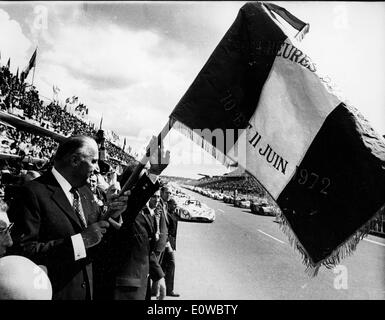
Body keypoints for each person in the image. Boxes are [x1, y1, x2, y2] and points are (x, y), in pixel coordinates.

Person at [8, 135, 128, 300]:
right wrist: (80, 242)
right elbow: (23, 252)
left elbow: (98, 234)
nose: (97, 168)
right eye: (93, 161)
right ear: (75, 161)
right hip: (54, 292)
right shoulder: (32, 193)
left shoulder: (85, 191)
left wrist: (113, 213)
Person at [111, 190, 166, 300]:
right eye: (154, 196)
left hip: (140, 284)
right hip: (126, 289)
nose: (156, 200)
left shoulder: (145, 214)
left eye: (158, 197)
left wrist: (158, 275)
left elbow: (144, 248)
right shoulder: (127, 213)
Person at [161, 197, 180, 297]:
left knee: (165, 265)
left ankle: (162, 289)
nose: (175, 206)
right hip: (166, 242)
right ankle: (169, 290)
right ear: (168, 205)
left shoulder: (174, 214)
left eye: (176, 205)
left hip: (171, 243)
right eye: (173, 204)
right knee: (171, 264)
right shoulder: (166, 214)